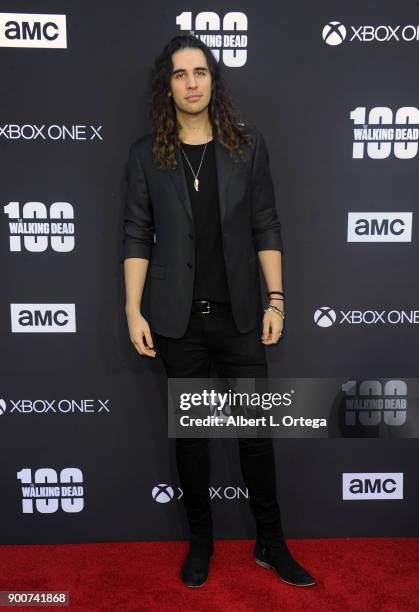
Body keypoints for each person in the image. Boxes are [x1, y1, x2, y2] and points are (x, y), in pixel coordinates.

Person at [121, 34, 316, 588]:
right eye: (180, 74)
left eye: (200, 72)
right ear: (168, 85)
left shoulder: (246, 147)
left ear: (214, 81)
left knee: (256, 434)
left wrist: (276, 299)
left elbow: (266, 224)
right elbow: (136, 233)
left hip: (241, 318)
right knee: (192, 439)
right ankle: (200, 543)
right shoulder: (146, 154)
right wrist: (134, 311)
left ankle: (270, 542)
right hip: (176, 323)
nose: (191, 83)